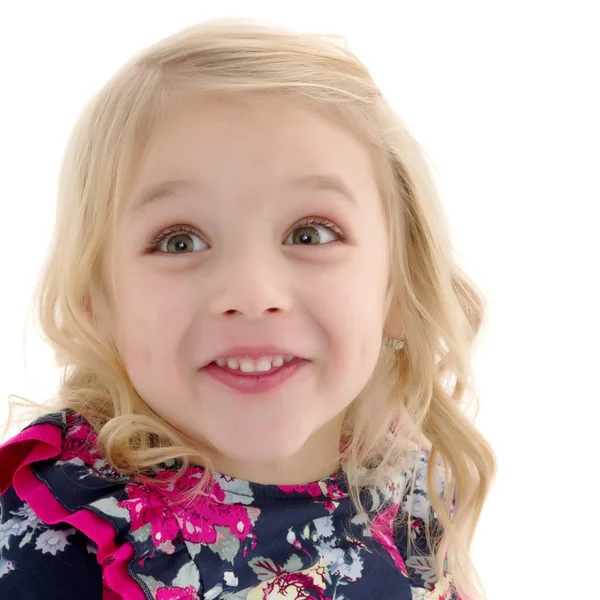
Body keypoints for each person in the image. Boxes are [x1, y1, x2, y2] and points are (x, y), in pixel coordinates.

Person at [0, 17, 496, 600]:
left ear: (398, 288)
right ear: (97, 302)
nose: (253, 292)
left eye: (310, 233)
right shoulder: (59, 542)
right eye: (179, 241)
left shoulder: (409, 489)